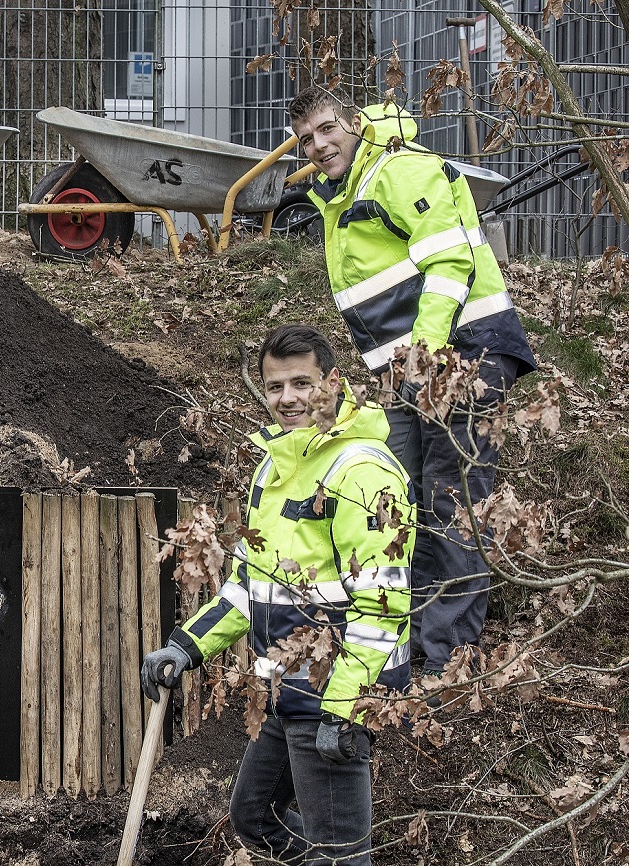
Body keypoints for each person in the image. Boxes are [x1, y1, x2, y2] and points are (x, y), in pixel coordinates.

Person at [141, 324, 413, 866]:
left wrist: (342, 708)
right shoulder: (274, 465)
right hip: (286, 690)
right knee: (255, 817)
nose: (287, 399)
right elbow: (249, 587)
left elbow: (383, 605)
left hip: (336, 691)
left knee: (338, 852)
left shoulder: (363, 470)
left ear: (333, 383)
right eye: (274, 387)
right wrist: (186, 647)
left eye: (302, 383)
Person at [287, 86, 537, 676]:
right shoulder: (345, 192)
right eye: (307, 139)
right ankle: (415, 643)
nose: (319, 145)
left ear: (353, 123)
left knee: (450, 499)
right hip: (415, 369)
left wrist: (426, 355)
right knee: (402, 497)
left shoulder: (398, 171)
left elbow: (450, 263)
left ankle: (451, 659)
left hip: (464, 352)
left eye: (327, 129)